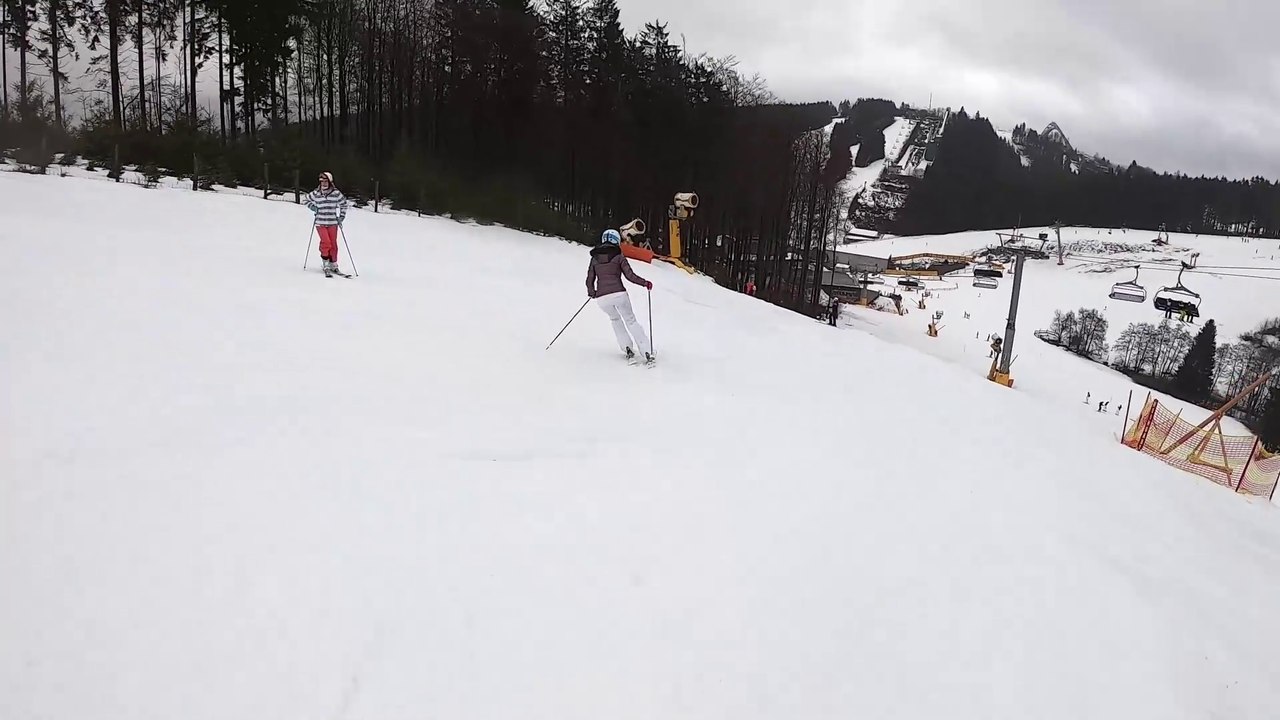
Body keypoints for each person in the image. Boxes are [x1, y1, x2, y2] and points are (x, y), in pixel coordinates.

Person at [587, 229, 654, 365]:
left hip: (602, 299)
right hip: (619, 294)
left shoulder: (594, 258)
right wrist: (645, 283)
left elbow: (589, 279)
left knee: (615, 320)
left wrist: (592, 292)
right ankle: (646, 351)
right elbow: (630, 276)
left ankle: (628, 349)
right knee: (631, 321)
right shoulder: (619, 256)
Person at [306, 171, 349, 276]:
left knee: (333, 244)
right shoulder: (316, 193)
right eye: (322, 181)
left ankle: (333, 264)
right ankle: (325, 263)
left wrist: (341, 216)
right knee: (326, 242)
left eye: (326, 181)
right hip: (320, 222)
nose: (324, 183)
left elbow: (343, 204)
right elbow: (306, 200)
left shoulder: (336, 193)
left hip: (333, 222)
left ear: (330, 182)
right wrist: (313, 207)